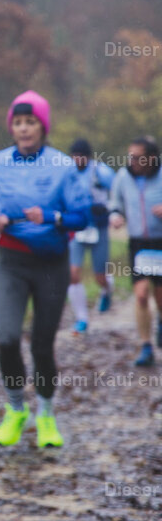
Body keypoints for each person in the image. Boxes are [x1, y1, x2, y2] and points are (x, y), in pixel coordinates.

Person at [0, 91, 90, 449]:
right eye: (18, 122)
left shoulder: (63, 166)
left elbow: (82, 215)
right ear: (12, 127)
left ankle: (46, 414)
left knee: (42, 345)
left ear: (43, 126)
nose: (23, 129)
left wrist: (54, 217)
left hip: (51, 265)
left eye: (31, 122)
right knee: (7, 339)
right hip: (11, 262)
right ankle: (14, 410)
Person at [108, 136, 162, 367]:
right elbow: (114, 204)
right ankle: (146, 345)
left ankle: (160, 320)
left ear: (151, 158)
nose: (133, 161)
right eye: (130, 156)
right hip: (138, 244)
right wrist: (116, 216)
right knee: (141, 295)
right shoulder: (123, 176)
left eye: (138, 157)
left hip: (161, 242)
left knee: (160, 297)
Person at [66, 138, 116, 333]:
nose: (77, 160)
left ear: (88, 157)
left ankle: (106, 290)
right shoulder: (68, 173)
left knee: (99, 275)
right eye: (74, 156)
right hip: (77, 228)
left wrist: (107, 209)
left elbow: (117, 195)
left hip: (99, 228)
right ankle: (82, 319)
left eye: (80, 156)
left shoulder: (101, 172)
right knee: (73, 274)